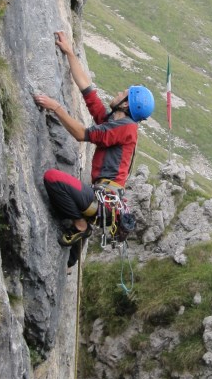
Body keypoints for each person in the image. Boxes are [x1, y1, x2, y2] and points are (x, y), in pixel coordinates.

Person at [33, 31, 155, 252]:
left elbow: (82, 134)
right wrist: (70, 52)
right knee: (71, 257)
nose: (118, 93)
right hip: (101, 201)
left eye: (123, 93)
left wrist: (56, 107)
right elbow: (87, 91)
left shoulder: (125, 128)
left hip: (101, 202)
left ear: (126, 105)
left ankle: (80, 225)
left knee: (52, 177)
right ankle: (76, 242)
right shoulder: (113, 121)